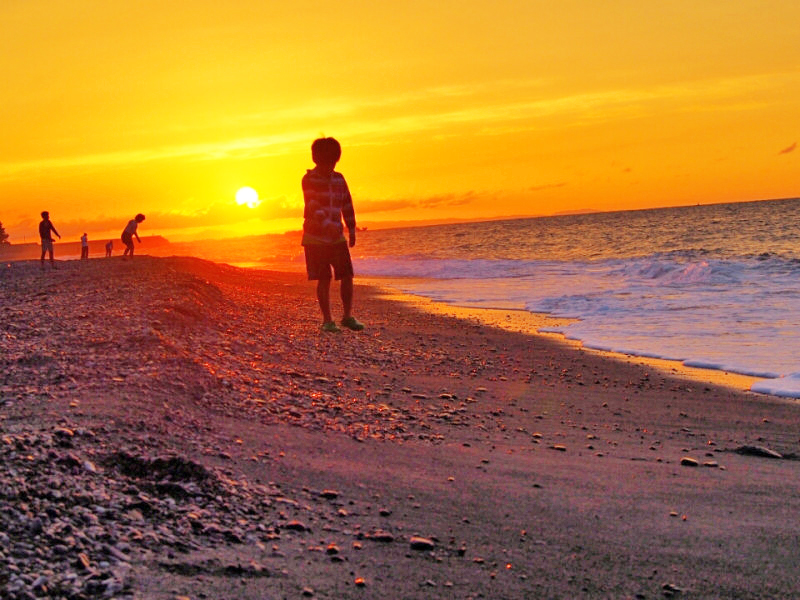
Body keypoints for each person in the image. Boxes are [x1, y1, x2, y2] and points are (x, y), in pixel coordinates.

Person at [301, 137, 364, 333]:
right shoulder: (309, 179)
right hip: (315, 237)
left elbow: (346, 203)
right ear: (315, 159)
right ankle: (327, 320)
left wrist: (351, 228)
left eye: (331, 162)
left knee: (347, 274)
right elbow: (311, 204)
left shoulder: (339, 178)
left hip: (336, 236)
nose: (328, 166)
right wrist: (326, 223)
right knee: (324, 277)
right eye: (324, 161)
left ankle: (347, 316)